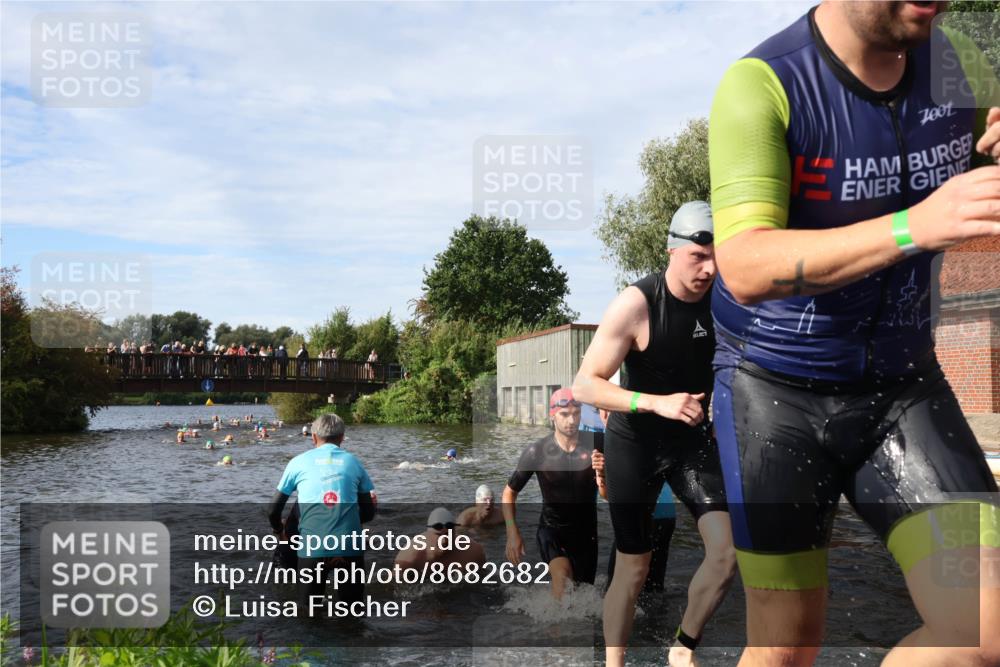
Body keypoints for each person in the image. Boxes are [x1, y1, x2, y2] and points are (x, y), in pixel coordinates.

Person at [708, 3, 1000, 664]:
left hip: (903, 385)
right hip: (775, 395)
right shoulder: (762, 84)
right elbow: (746, 263)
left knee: (987, 629)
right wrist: (913, 227)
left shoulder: (962, 65)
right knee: (787, 647)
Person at [573, 202, 736, 667]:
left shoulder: (725, 298)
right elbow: (585, 383)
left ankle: (682, 647)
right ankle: (614, 663)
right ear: (672, 250)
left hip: (690, 439)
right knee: (634, 567)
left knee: (726, 555)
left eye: (715, 256)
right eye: (697, 257)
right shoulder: (637, 304)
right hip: (636, 441)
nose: (708, 268)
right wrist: (655, 401)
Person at [267, 413, 377, 612]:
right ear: (342, 437)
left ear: (313, 437)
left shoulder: (297, 462)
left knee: (309, 615)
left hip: (313, 549)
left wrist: (280, 532)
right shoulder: (354, 462)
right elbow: (369, 513)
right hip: (349, 547)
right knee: (353, 614)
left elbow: (273, 510)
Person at [503, 388, 600, 600]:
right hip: (552, 530)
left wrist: (603, 472)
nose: (571, 420)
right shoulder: (536, 451)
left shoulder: (597, 444)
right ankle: (555, 631)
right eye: (565, 414)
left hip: (587, 534)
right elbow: (509, 493)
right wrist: (512, 532)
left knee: (584, 598)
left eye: (576, 413)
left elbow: (608, 494)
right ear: (552, 415)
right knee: (562, 579)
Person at [395, 507, 486, 571]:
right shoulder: (410, 556)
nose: (444, 540)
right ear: (428, 535)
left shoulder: (473, 551)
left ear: (455, 533)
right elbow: (394, 587)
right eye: (439, 535)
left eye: (448, 534)